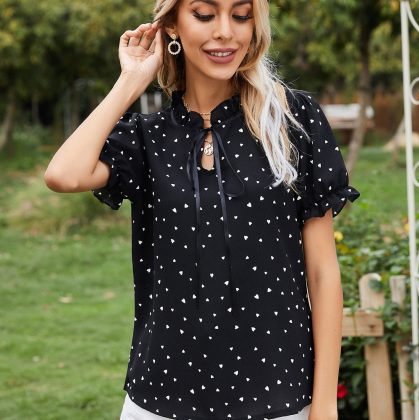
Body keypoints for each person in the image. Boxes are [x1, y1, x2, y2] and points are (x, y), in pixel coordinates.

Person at [44, 0, 360, 419]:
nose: (225, 31)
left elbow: (323, 273)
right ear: (173, 25)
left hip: (278, 398)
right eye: (205, 15)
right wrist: (131, 81)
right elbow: (63, 174)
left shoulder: (292, 121)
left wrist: (325, 405)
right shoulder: (147, 138)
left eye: (241, 15)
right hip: (161, 399)